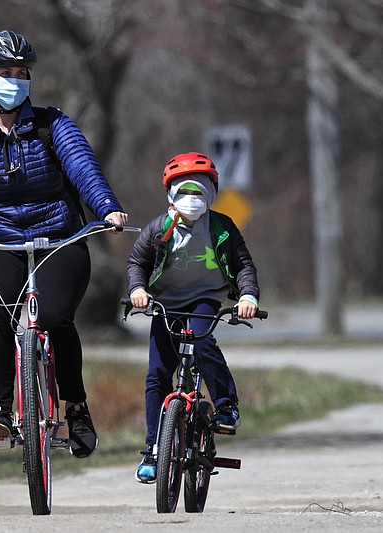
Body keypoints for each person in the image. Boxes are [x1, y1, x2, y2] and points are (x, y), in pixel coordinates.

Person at [0, 29, 128, 459]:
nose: (15, 80)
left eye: (22, 73)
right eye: (6, 73)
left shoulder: (55, 125)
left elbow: (84, 169)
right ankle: (0, 411)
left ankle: (76, 408)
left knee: (55, 318)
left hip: (59, 237)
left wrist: (106, 208)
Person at [125, 151, 260, 483]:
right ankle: (155, 450)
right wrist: (137, 290)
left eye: (199, 191)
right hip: (166, 303)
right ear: (170, 194)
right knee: (157, 374)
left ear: (212, 193)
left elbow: (243, 265)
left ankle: (226, 405)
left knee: (201, 341)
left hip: (205, 299)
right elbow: (136, 264)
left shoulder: (222, 228)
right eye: (184, 191)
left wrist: (247, 296)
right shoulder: (159, 230)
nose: (191, 199)